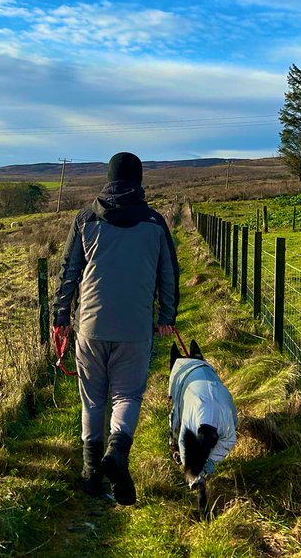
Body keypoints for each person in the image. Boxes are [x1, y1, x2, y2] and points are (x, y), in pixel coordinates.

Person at [51, 151, 179, 505]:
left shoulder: (85, 219)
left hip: (90, 326)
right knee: (127, 396)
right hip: (136, 329)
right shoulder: (154, 222)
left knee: (92, 398)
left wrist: (60, 318)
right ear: (138, 181)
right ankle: (117, 454)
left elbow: (69, 271)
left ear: (108, 179)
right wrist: (167, 316)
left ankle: (91, 472)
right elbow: (168, 271)